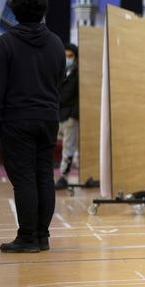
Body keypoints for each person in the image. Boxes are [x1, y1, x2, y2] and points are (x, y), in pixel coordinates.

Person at [0, 0, 65, 252]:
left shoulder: (6, 42)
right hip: (48, 119)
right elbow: (59, 80)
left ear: (15, 12)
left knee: (24, 179)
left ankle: (27, 237)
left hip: (17, 120)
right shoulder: (56, 43)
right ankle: (41, 236)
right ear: (44, 12)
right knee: (44, 176)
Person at [55, 43, 79, 189]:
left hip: (70, 116)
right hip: (58, 115)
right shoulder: (60, 73)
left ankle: (64, 176)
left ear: (75, 58)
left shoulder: (77, 75)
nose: (67, 59)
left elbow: (78, 97)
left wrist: (73, 115)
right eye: (65, 56)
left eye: (70, 56)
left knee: (68, 148)